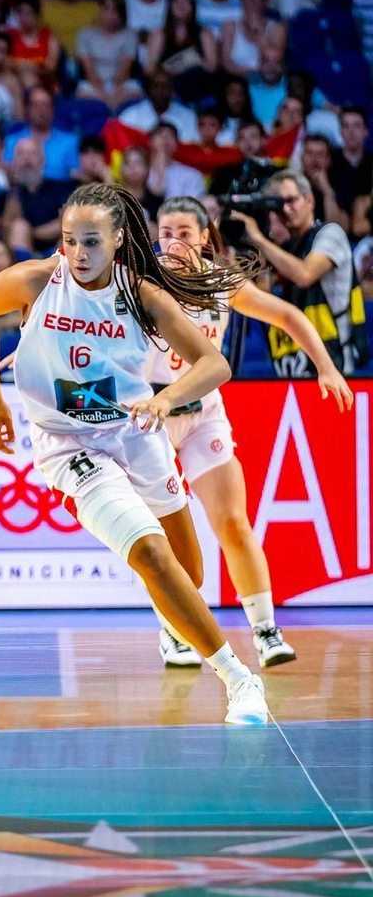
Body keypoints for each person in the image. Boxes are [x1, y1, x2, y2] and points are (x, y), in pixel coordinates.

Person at [0, 182, 269, 726]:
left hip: (134, 427)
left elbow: (213, 365)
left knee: (187, 574)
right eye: (68, 241)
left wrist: (169, 398)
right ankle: (239, 680)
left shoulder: (145, 295)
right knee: (150, 554)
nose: (78, 254)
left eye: (91, 242)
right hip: (68, 443)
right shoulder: (39, 279)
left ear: (119, 238)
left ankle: (177, 631)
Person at [149, 197, 352, 669]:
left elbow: (288, 316)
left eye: (183, 232)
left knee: (233, 523)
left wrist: (326, 368)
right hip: (152, 414)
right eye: (165, 232)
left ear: (204, 236)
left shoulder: (223, 282)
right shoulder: (141, 281)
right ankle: (173, 632)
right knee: (164, 535)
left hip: (202, 412)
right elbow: (79, 314)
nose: (173, 241)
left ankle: (265, 630)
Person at [233, 170, 366, 375]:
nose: (285, 209)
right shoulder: (280, 249)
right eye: (278, 205)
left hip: (334, 366)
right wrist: (228, 255)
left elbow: (305, 274)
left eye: (291, 200)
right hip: (291, 367)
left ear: (310, 199)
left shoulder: (330, 233)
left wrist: (258, 239)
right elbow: (257, 295)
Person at [0, 137, 76, 252]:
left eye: (32, 153)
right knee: (19, 227)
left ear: (42, 159)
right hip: (19, 252)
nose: (26, 159)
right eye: (21, 154)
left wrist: (32, 233)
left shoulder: (61, 188)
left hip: (57, 247)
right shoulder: (7, 195)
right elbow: (6, 227)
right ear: (14, 161)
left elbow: (68, 223)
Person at [74, 0, 141, 110]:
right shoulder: (84, 34)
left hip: (121, 84)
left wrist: (113, 92)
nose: (110, 15)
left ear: (121, 13)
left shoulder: (130, 35)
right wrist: (105, 96)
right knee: (81, 94)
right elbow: (89, 71)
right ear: (100, 10)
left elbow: (124, 71)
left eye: (115, 10)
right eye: (106, 9)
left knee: (136, 93)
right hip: (94, 84)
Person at [4, 86, 78, 181]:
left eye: (45, 105)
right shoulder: (12, 141)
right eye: (35, 105)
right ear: (27, 109)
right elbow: (7, 176)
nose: (41, 110)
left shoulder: (70, 142)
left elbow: (75, 176)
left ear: (53, 109)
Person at [219, 0, 284, 78]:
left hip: (268, 78)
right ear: (242, 1)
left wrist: (258, 30)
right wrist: (250, 75)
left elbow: (276, 58)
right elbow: (226, 63)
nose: (252, 1)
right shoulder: (229, 26)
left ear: (264, 1)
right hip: (236, 78)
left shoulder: (277, 27)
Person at [119, 69, 200, 142]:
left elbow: (190, 147)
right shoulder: (130, 115)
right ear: (149, 90)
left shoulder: (187, 116)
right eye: (156, 86)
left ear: (172, 90)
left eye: (165, 86)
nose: (161, 91)